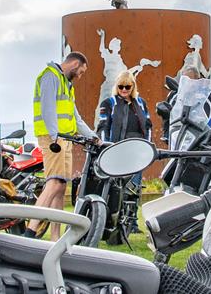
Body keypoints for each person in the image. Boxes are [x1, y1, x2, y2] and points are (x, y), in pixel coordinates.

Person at [27, 52, 100, 241]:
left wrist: (95, 138)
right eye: (81, 71)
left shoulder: (67, 85)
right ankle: (30, 231)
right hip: (54, 139)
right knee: (54, 182)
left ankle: (55, 237)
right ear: (75, 63)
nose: (81, 75)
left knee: (61, 187)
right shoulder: (50, 76)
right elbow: (47, 108)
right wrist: (54, 138)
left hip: (65, 139)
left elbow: (76, 118)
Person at [96, 70, 151, 234]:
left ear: (133, 86)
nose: (124, 90)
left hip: (137, 150)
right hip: (117, 149)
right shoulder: (109, 103)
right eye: (121, 86)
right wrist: (107, 147)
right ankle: (112, 221)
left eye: (127, 86)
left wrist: (147, 148)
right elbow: (103, 126)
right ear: (117, 86)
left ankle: (131, 223)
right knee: (115, 186)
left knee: (134, 186)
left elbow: (148, 126)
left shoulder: (141, 103)